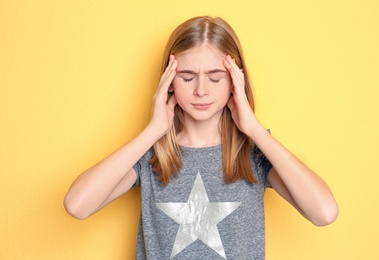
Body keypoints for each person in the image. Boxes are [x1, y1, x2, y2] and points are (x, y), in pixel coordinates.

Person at [64, 16, 338, 259]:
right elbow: (77, 205)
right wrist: (154, 130)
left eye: (216, 77)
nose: (201, 90)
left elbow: (324, 212)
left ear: (236, 80)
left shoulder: (252, 154)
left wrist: (254, 129)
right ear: (168, 80)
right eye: (186, 76)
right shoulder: (151, 154)